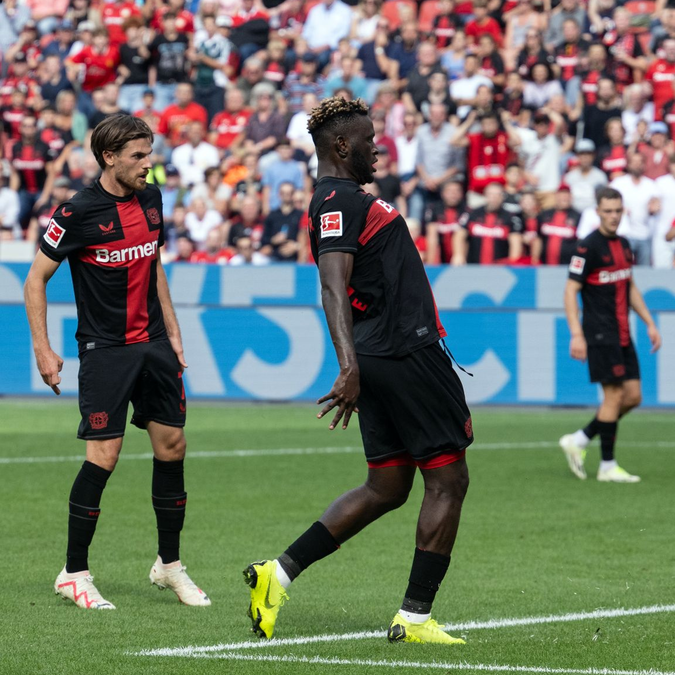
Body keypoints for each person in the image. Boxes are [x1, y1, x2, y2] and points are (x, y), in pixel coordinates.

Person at [244, 97, 472, 645]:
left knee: (387, 485)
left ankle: (278, 573)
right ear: (343, 146)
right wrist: (347, 366)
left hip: (382, 354)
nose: (378, 148)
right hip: (404, 352)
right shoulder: (337, 201)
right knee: (448, 479)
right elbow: (332, 284)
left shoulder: (340, 198)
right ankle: (414, 618)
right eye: (370, 140)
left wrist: (356, 364)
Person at [24, 114, 207, 610]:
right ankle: (74, 573)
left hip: (154, 344)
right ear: (109, 157)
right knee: (103, 457)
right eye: (138, 156)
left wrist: (173, 329)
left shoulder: (152, 199)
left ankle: (169, 565)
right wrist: (43, 348)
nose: (148, 164)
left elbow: (154, 264)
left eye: (149, 153)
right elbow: (35, 279)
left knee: (173, 446)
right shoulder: (77, 212)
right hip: (105, 350)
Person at [559, 187, 662, 483]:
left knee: (633, 396)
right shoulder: (587, 247)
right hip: (599, 333)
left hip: (622, 333)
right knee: (614, 395)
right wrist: (576, 334)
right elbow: (570, 290)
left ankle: (580, 439)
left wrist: (649, 322)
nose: (614, 216)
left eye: (618, 210)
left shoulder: (625, 245)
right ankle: (607, 465)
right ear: (598, 212)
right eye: (608, 211)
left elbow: (629, 286)